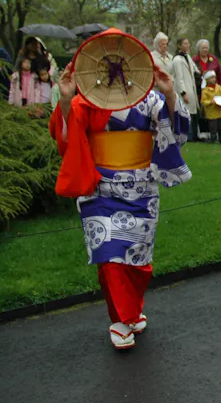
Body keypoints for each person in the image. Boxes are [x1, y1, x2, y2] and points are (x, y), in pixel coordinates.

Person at [48, 30, 191, 349]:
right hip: (99, 188)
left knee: (138, 260)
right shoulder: (87, 100)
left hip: (141, 189)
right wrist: (67, 99)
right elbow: (68, 140)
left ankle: (132, 309)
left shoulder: (149, 98)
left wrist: (169, 94)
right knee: (109, 255)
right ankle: (121, 319)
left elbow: (176, 135)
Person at [171, 38, 201, 142]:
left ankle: (194, 135)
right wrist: (183, 93)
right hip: (185, 89)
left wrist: (201, 75)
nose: (187, 45)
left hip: (191, 88)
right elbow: (179, 78)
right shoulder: (177, 60)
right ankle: (187, 135)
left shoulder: (187, 57)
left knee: (194, 112)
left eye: (188, 43)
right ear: (179, 45)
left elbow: (195, 69)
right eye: (185, 43)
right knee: (186, 113)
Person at [200, 70, 221, 144]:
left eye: (214, 77)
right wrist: (210, 102)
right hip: (211, 112)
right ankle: (213, 138)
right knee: (213, 127)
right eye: (211, 78)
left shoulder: (218, 87)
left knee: (220, 125)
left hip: (219, 111)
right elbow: (203, 101)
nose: (214, 79)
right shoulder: (205, 90)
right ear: (207, 80)